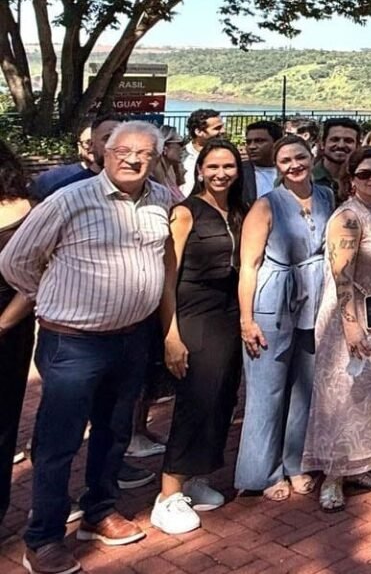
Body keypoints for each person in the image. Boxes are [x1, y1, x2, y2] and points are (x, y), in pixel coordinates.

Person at [1, 121, 175, 569]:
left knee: (114, 433)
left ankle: (99, 511)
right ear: (104, 153)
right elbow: (16, 261)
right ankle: (43, 537)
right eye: (122, 151)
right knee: (58, 443)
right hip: (72, 343)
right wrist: (53, 295)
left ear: (156, 158)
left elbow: (164, 259)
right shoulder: (69, 200)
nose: (132, 159)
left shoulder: (161, 198)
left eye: (143, 153)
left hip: (131, 337)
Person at [151, 139, 248, 535]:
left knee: (223, 396)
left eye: (228, 166)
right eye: (213, 167)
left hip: (228, 314)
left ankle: (196, 475)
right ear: (200, 170)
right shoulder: (185, 213)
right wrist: (171, 335)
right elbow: (167, 278)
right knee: (195, 399)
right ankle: (168, 493)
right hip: (194, 314)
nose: (221, 174)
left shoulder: (238, 211)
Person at [234, 135, 334, 500]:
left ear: (312, 156)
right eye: (285, 160)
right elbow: (249, 265)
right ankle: (263, 471)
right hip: (273, 300)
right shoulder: (266, 205)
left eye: (300, 157)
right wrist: (246, 319)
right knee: (267, 389)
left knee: (305, 386)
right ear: (277, 166)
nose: (294, 165)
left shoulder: (326, 196)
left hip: (315, 299)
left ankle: (296, 461)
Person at [304, 146, 371, 512]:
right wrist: (350, 324)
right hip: (350, 313)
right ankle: (332, 475)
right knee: (343, 393)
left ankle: (359, 464)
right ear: (351, 179)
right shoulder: (347, 217)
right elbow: (340, 275)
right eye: (364, 173)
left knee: (369, 391)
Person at [0, 140, 34, 532]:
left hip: (8, 328)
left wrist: (3, 325)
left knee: (3, 422)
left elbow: (34, 278)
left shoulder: (27, 211)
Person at [31, 114, 121, 201]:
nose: (115, 145)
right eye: (107, 138)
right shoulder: (61, 187)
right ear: (91, 145)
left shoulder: (128, 185)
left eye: (120, 139)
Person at [180, 110, 226, 195]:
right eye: (217, 128)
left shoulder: (226, 155)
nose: (223, 131)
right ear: (199, 132)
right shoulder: (181, 157)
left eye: (222, 127)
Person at [312, 118, 361, 193]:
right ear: (322, 144)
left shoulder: (365, 178)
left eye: (348, 141)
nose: (341, 145)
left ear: (357, 146)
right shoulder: (307, 179)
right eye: (335, 139)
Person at [243, 121, 282, 200]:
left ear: (276, 143)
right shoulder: (239, 172)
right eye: (248, 142)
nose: (252, 146)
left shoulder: (290, 171)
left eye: (259, 141)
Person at [150, 126, 187, 201]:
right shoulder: (152, 177)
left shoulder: (171, 174)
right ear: (164, 147)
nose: (183, 148)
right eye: (180, 144)